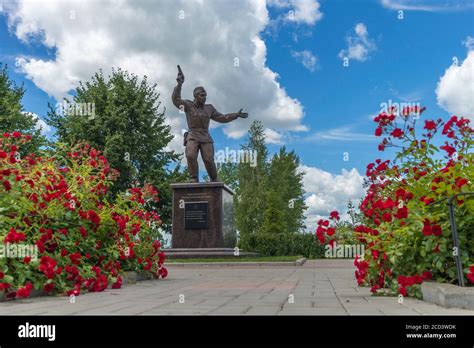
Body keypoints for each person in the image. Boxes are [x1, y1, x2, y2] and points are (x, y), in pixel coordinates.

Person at [172, 65, 248, 182]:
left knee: (208, 159)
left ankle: (214, 180)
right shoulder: (188, 105)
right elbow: (176, 100)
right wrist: (179, 85)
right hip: (192, 136)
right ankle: (193, 178)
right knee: (190, 156)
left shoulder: (209, 108)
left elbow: (222, 118)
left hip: (205, 137)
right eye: (202, 95)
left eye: (205, 95)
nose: (204, 97)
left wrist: (235, 115)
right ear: (195, 96)